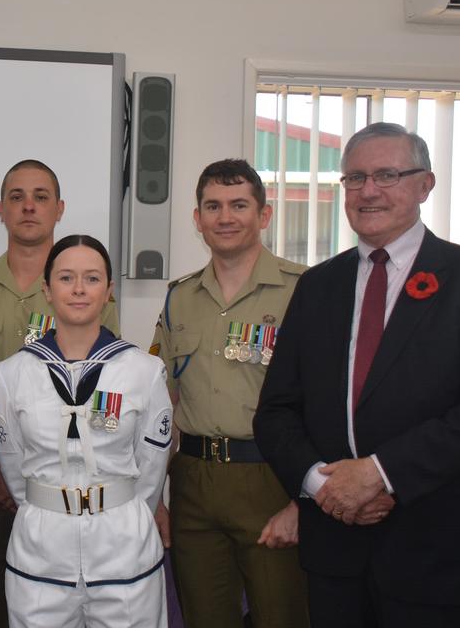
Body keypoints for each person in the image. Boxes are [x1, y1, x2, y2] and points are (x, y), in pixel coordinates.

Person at [253, 122, 460, 628]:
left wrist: (379, 473)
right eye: (354, 178)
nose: (368, 191)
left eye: (387, 174)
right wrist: (322, 486)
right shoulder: (317, 286)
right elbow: (276, 411)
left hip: (443, 551)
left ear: (425, 184)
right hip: (337, 553)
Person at [0, 159, 119, 627]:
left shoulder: (87, 290)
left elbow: (110, 387)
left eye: (41, 196)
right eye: (17, 197)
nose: (28, 206)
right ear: (0, 209)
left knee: (58, 608)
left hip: (65, 482)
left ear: (59, 208)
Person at [150, 159, 308, 628]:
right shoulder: (179, 296)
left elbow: (325, 406)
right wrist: (155, 495)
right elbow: (165, 403)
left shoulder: (305, 290)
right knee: (204, 617)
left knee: (281, 616)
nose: (225, 217)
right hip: (194, 481)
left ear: (264, 214)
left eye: (239, 205)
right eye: (213, 206)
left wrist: (305, 502)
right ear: (197, 220)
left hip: (271, 479)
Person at [0, 234, 172, 628]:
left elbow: (152, 466)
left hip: (122, 543)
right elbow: (13, 464)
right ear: (47, 289)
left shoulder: (143, 371)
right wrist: (47, 504)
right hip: (41, 546)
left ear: (109, 291)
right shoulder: (11, 374)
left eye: (91, 279)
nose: (78, 289)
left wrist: (119, 509)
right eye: (66, 278)